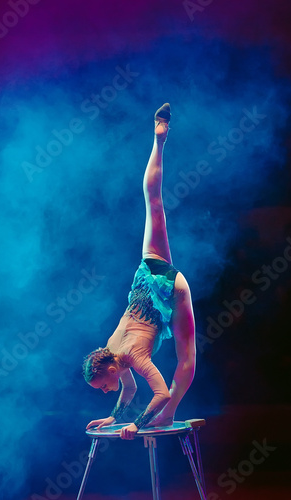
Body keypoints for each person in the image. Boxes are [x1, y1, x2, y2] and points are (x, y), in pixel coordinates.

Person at [83, 103, 196, 440]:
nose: (107, 390)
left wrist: (138, 424)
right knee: (153, 201)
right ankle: (159, 140)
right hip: (148, 270)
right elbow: (129, 392)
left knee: (186, 359)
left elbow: (159, 392)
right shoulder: (111, 348)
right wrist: (112, 417)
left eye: (103, 385)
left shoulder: (131, 355)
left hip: (172, 289)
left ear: (110, 368)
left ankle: (170, 417)